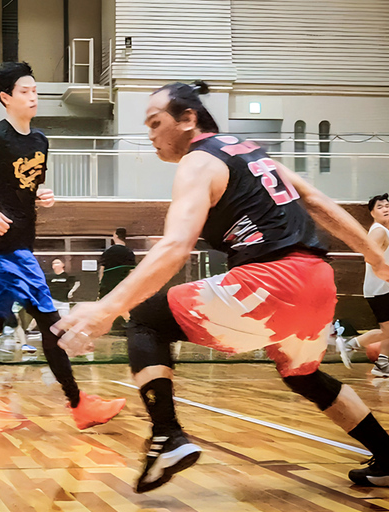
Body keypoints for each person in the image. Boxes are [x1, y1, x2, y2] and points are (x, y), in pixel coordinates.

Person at [55, 81, 389, 492]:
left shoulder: (198, 162)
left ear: (188, 119)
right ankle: (387, 456)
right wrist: (375, 259)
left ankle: (167, 436)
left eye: (156, 122)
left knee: (145, 319)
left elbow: (176, 245)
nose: (150, 133)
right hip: (319, 282)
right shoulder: (248, 150)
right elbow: (317, 201)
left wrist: (105, 308)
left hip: (270, 281)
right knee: (303, 374)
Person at [0, 61, 125, 430]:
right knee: (52, 324)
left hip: (24, 242)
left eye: (35, 90)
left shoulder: (40, 141)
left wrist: (41, 196)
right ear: (5, 97)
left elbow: (26, 186)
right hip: (8, 249)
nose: (33, 96)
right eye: (25, 90)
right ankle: (79, 404)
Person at [337, 193, 389, 377]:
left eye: (388, 205)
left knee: (387, 330)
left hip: (381, 288)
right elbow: (369, 256)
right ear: (372, 213)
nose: (386, 209)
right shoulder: (379, 231)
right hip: (380, 289)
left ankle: (382, 364)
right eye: (380, 207)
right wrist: (386, 274)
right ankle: (350, 344)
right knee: (386, 331)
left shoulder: (384, 230)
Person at [98, 228, 137, 299]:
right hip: (122, 286)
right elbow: (132, 271)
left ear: (115, 236)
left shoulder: (108, 252)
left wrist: (101, 282)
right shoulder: (129, 252)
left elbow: (102, 268)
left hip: (107, 286)